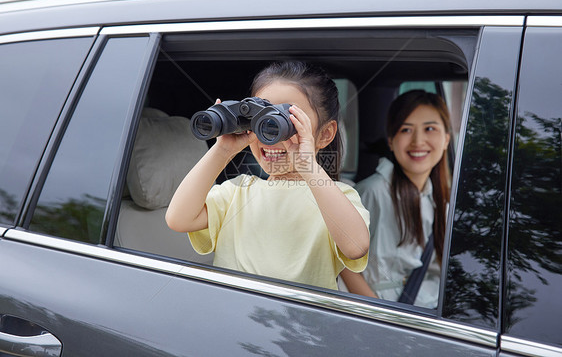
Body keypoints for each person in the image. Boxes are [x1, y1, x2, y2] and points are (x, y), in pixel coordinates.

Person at [166, 61, 370, 290]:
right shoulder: (236, 192)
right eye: (261, 121)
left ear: (325, 134)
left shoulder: (337, 198)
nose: (268, 136)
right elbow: (178, 218)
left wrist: (307, 166)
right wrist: (222, 149)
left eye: (284, 121)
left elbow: (356, 246)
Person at [340, 90, 451, 308]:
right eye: (406, 130)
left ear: (446, 139)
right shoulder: (373, 192)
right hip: (387, 314)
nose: (418, 141)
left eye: (430, 129)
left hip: (429, 309)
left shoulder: (439, 199)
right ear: (391, 141)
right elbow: (344, 263)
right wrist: (376, 314)